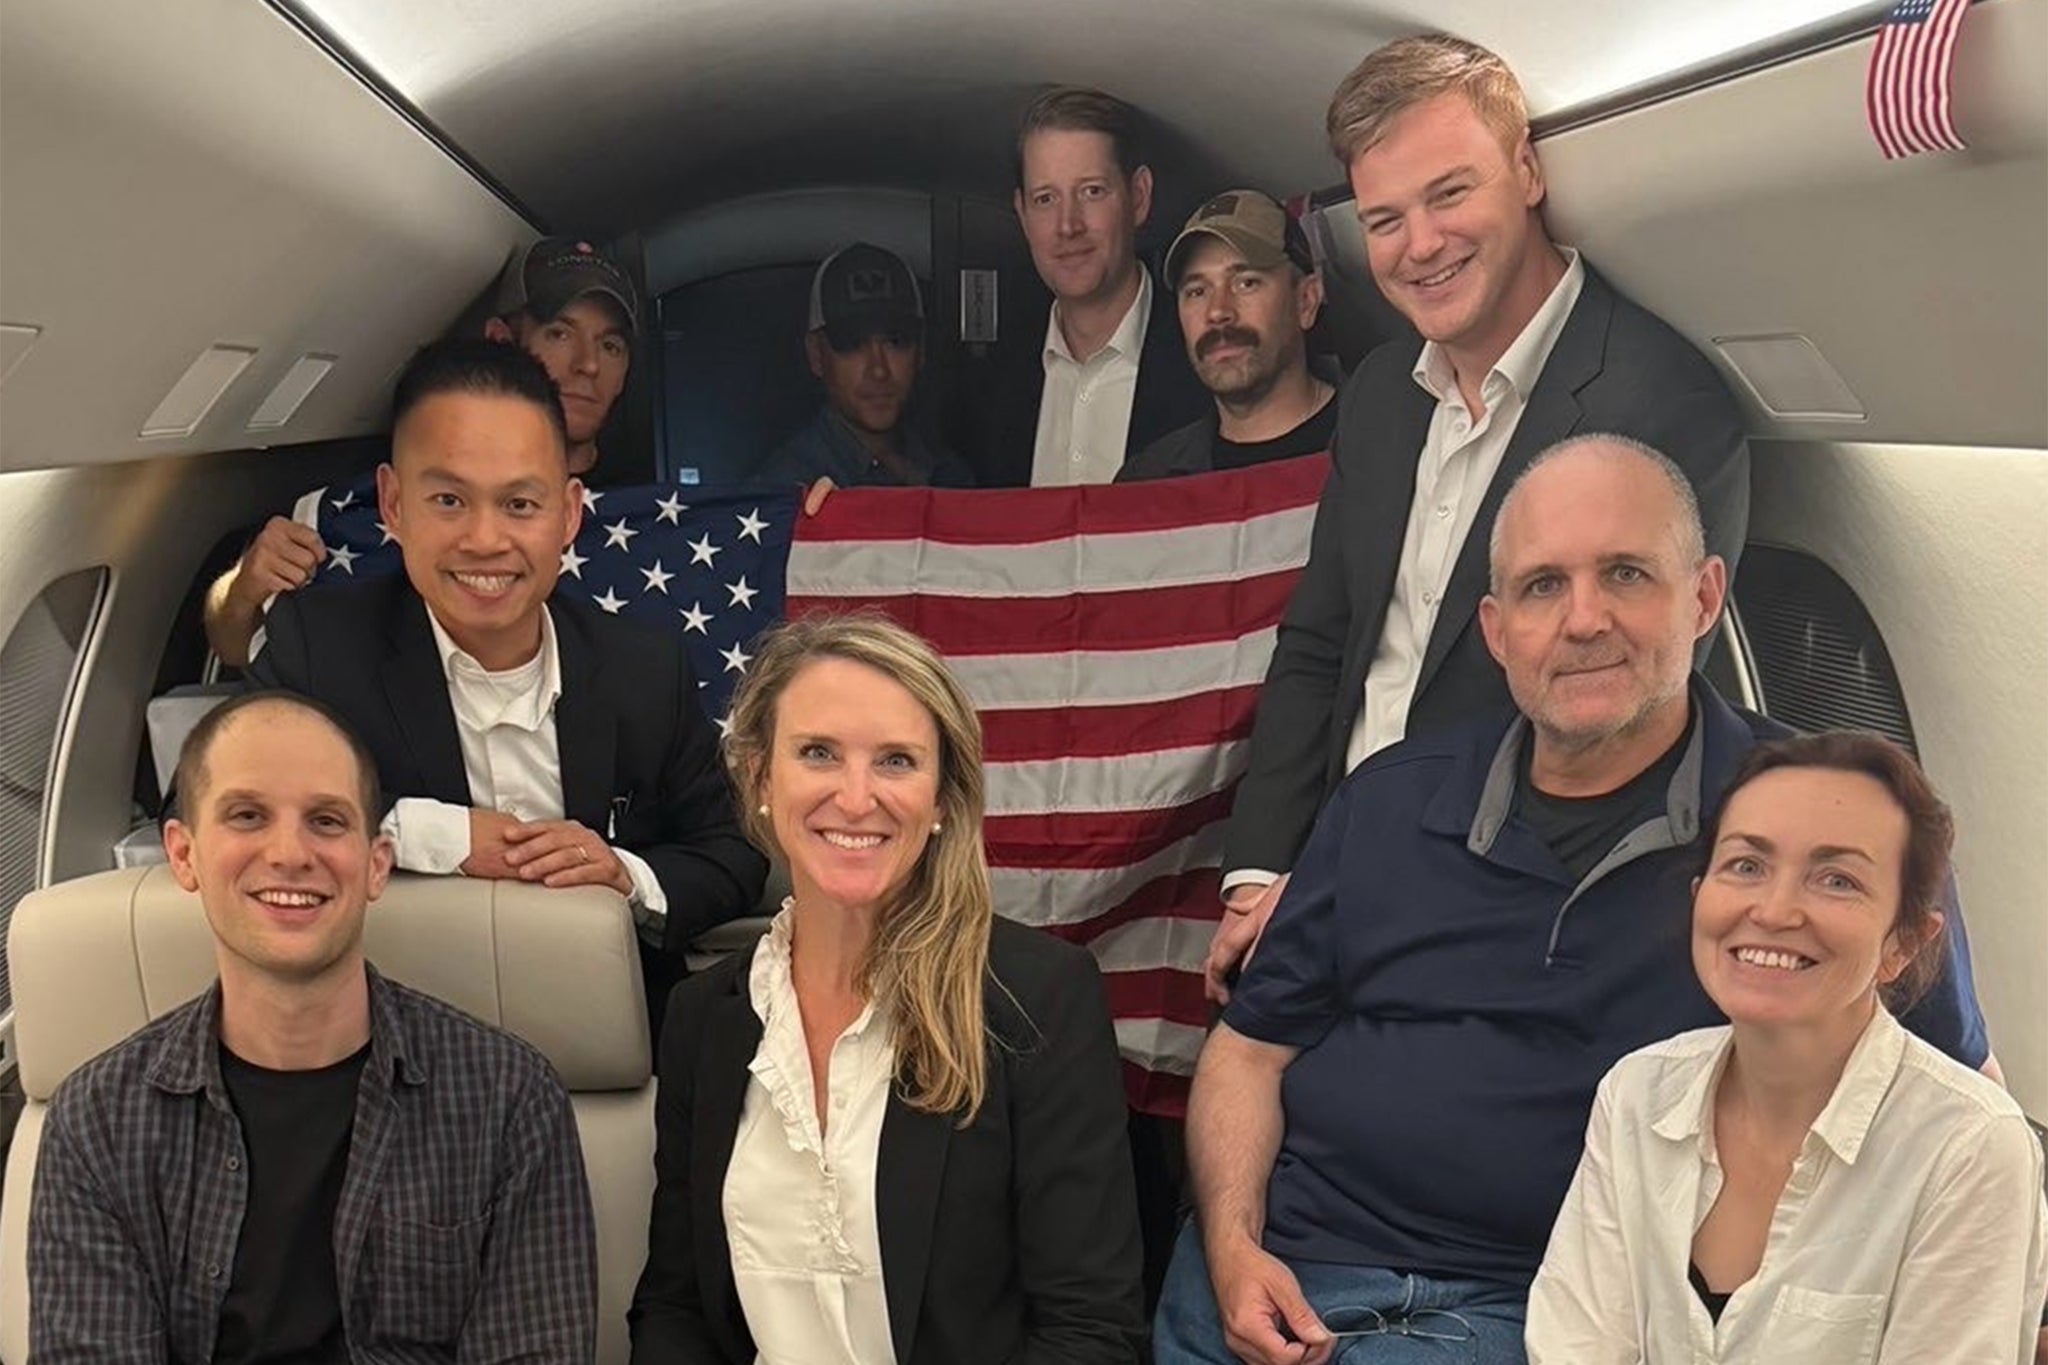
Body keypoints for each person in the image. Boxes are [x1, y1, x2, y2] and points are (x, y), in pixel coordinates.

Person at [1153, 437, 1991, 1365]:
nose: (1584, 619)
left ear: (1705, 596)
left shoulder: (1824, 827)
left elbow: (1958, 1102)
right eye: (1544, 586)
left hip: (1550, 1306)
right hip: (1275, 1278)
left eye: (1626, 573)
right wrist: (1231, 1247)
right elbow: (1252, 1049)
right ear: (1496, 627)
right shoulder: (1389, 798)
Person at [1209, 34, 1751, 1000]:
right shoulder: (1381, 395)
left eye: (1449, 195)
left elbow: (1612, 726)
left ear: (1529, 172)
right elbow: (1320, 644)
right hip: (1322, 880)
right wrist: (1260, 877)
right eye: (1385, 218)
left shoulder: (1663, 406)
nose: (1420, 245)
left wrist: (1364, 889)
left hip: (1509, 911)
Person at [628, 614, 1145, 1364]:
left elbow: (1091, 1331)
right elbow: (676, 1307)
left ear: (941, 799)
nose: (857, 795)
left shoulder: (1038, 999)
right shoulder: (703, 1017)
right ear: (759, 775)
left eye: (897, 761)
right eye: (817, 753)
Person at [28, 690, 596, 1363]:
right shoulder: (98, 1120)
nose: (291, 852)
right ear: (184, 854)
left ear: (376, 864)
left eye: (327, 820)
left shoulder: (507, 1096)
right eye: (247, 815)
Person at [248, 337, 766, 1033]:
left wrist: (622, 873)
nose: (485, 540)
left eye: (520, 505)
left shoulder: (646, 667)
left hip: (611, 1043)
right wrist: (443, 835)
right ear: (394, 504)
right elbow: (217, 812)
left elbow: (731, 854)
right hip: (392, 1044)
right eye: (449, 500)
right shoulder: (318, 649)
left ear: (570, 515)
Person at [1528, 731, 2048, 1363]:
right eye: (1746, 865)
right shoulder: (1636, 1093)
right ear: (1700, 897)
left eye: (1837, 880)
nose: (1774, 910)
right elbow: (1573, 1349)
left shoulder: (1969, 1147)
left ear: (1904, 943)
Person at [204, 237, 642, 668]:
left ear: (570, 512)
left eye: (610, 346)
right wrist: (243, 590)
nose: (588, 364)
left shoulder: (655, 520)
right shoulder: (362, 510)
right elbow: (241, 648)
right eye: (560, 334)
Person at [979, 84, 1208, 487]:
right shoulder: (987, 390)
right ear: (1022, 214)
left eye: (1092, 191)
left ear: (1138, 198)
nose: (1068, 226)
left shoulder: (1209, 359)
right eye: (1046, 199)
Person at [1118, 189, 1336, 482]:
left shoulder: (1385, 444)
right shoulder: (1149, 482)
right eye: (1197, 291)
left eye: (1246, 283)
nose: (1217, 311)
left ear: (1306, 301)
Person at [758, 242, 975, 495]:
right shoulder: (782, 492)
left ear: (920, 350)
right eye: (853, 344)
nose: (878, 370)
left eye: (895, 341)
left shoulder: (949, 476)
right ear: (817, 355)